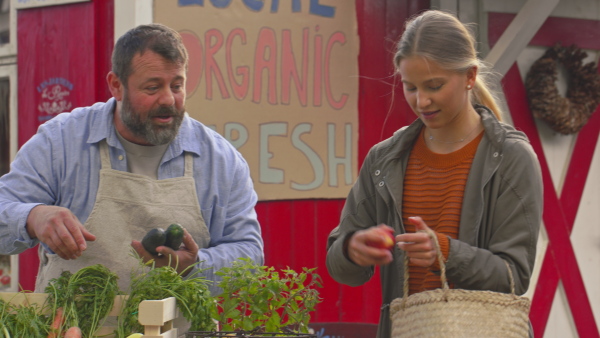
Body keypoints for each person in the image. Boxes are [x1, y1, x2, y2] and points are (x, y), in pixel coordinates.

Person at [0, 23, 264, 296]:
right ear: (116, 85)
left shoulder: (220, 160)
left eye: (177, 85)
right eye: (152, 88)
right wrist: (33, 216)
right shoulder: (61, 142)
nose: (168, 99)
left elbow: (249, 254)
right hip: (72, 328)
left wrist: (195, 265)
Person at [326, 10, 542, 338]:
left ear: (470, 76)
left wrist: (446, 252)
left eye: (434, 85)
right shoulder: (384, 159)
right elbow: (339, 264)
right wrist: (351, 249)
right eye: (410, 87)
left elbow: (513, 276)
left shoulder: (510, 158)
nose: (421, 100)